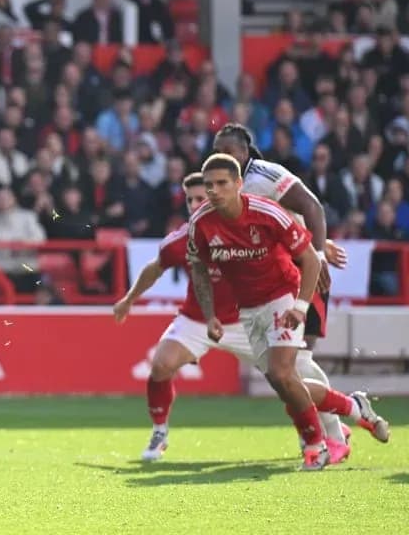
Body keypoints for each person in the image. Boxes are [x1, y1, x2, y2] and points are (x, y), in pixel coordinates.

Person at [114, 172, 347, 463]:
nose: (198, 203)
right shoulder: (189, 235)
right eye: (191, 199)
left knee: (288, 379)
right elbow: (156, 266)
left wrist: (321, 248)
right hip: (199, 319)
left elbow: (289, 237)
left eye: (202, 196)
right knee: (161, 364)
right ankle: (159, 431)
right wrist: (129, 299)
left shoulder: (248, 222)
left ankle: (343, 417)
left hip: (246, 319)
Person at [187, 154, 389, 470]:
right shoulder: (201, 222)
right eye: (209, 185)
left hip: (284, 295)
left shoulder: (267, 212)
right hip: (249, 309)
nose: (214, 190)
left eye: (222, 183)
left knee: (283, 373)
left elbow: (309, 259)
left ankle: (317, 446)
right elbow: (199, 268)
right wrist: (210, 313)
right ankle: (353, 407)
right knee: (286, 383)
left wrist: (300, 306)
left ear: (239, 184)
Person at [212, 123, 350, 444]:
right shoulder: (226, 186)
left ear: (244, 153)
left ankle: (328, 433)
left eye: (227, 152)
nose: (221, 157)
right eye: (216, 152)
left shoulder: (264, 176)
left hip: (303, 271)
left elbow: (311, 206)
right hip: (274, 276)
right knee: (289, 368)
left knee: (297, 362)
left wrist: (318, 252)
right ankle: (331, 429)